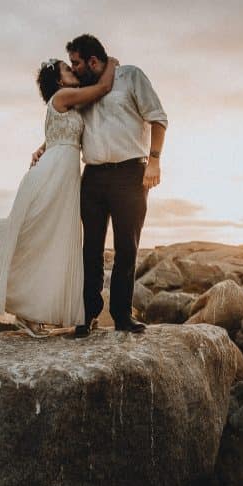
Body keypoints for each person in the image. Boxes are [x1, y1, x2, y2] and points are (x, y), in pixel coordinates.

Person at [0, 56, 119, 337]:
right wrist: (111, 65)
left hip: (61, 176)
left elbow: (60, 132)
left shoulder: (66, 102)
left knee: (45, 243)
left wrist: (42, 146)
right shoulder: (64, 95)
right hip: (51, 177)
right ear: (58, 80)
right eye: (67, 69)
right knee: (33, 236)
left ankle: (30, 312)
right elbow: (101, 90)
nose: (72, 70)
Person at [31, 34, 167, 336]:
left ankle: (121, 315)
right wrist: (45, 145)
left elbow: (158, 118)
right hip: (92, 177)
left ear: (92, 61)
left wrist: (155, 160)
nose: (73, 69)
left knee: (126, 247)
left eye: (76, 63)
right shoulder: (82, 90)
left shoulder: (130, 76)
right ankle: (87, 315)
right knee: (89, 248)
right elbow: (68, 122)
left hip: (130, 174)